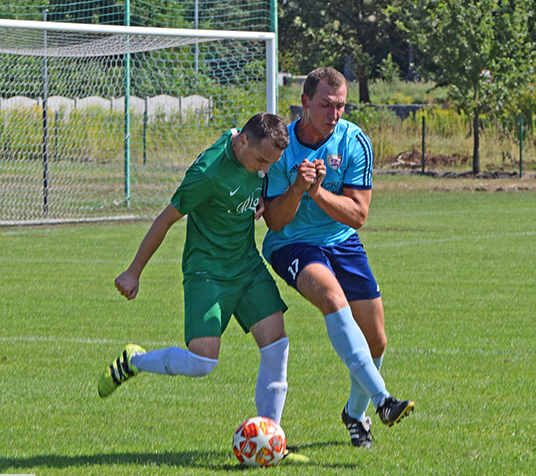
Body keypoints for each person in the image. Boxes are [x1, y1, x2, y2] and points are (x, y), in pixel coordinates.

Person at [98, 112, 291, 427]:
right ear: (242, 142)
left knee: (276, 345)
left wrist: (262, 196)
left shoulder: (254, 148)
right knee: (202, 361)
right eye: (261, 161)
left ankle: (271, 438)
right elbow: (166, 219)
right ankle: (134, 362)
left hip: (247, 266)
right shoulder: (207, 174)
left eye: (271, 163)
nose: (265, 169)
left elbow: (262, 172)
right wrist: (134, 271)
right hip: (207, 271)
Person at [261, 67, 414, 448]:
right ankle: (382, 401)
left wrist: (315, 191)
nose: (334, 113)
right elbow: (276, 223)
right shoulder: (282, 145)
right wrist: (298, 186)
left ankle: (353, 414)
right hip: (292, 244)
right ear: (305, 102)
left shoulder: (354, 141)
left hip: (342, 241)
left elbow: (358, 215)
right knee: (332, 297)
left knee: (375, 341)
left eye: (341, 105)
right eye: (326, 104)